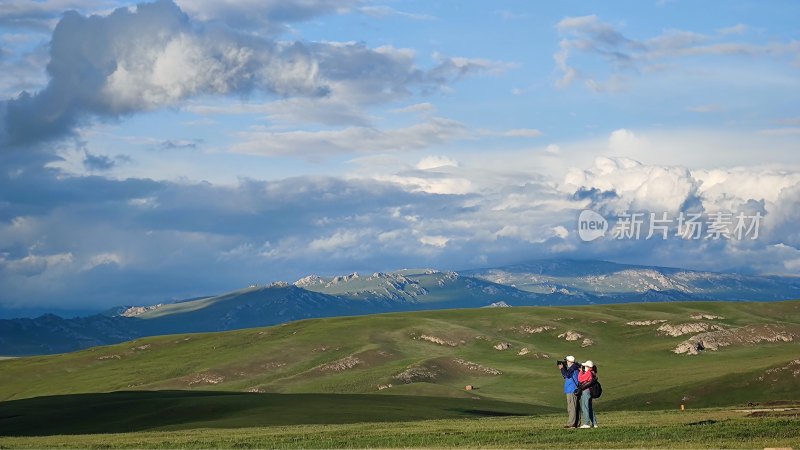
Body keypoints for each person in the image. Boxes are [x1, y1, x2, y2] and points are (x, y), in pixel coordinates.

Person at [558, 355, 580, 428]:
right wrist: (564, 368)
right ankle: (574, 422)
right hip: (569, 389)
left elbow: (567, 375)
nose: (565, 362)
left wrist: (561, 368)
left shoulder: (573, 368)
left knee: (572, 407)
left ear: (570, 362)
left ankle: (572, 423)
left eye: (566, 361)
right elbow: (565, 376)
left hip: (572, 389)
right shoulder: (572, 368)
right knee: (570, 407)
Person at [577, 360, 598, 428]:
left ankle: (586, 423)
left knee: (585, 407)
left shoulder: (588, 373)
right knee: (589, 407)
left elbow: (580, 379)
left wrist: (580, 371)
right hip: (589, 391)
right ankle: (594, 423)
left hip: (586, 391)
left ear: (588, 367)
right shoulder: (592, 373)